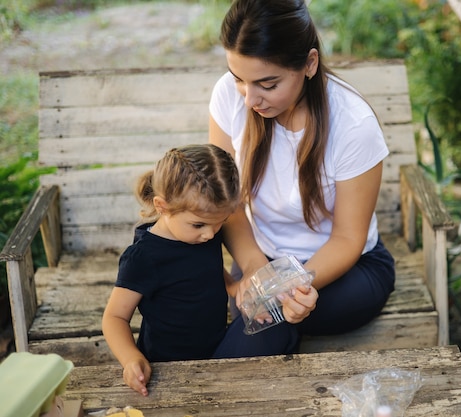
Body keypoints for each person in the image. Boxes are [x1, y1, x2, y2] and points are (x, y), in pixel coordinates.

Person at [209, 0, 395, 339]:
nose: (250, 99)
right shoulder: (228, 95)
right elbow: (227, 201)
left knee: (271, 317)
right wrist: (254, 268)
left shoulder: (353, 124)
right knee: (263, 314)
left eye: (268, 84)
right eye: (239, 80)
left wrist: (291, 286)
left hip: (345, 268)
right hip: (261, 255)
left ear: (309, 63)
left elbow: (347, 238)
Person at [102, 144, 318, 397]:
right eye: (198, 224)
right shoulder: (143, 257)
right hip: (171, 367)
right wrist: (130, 358)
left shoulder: (202, 233)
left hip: (216, 346)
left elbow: (209, 272)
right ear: (162, 206)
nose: (210, 234)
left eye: (220, 223)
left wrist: (239, 290)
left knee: (277, 322)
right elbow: (114, 317)